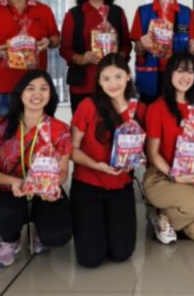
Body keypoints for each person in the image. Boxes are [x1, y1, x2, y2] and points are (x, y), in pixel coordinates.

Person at [0, 70, 72, 267]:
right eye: (30, 88)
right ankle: (10, 240)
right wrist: (14, 181)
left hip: (45, 191)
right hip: (10, 189)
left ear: (51, 94)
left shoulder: (60, 129)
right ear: (20, 93)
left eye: (43, 88)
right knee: (3, 218)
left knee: (58, 236)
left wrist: (54, 185)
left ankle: (40, 228)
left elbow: (63, 171)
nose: (37, 94)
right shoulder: (0, 126)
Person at [70, 53, 147, 267]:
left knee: (122, 253)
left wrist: (137, 157)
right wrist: (97, 165)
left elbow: (145, 150)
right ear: (98, 81)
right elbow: (72, 150)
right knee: (91, 258)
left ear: (128, 77)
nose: (113, 83)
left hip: (120, 187)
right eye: (106, 78)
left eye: (118, 76)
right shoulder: (87, 106)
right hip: (87, 187)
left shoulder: (139, 109)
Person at [143, 52, 194, 244]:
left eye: (191, 71)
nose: (186, 77)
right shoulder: (157, 108)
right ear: (170, 74)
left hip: (191, 179)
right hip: (162, 177)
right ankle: (166, 210)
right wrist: (173, 174)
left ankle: (162, 215)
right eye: (180, 71)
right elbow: (152, 153)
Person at [60, 0, 131, 113]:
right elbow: (65, 49)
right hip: (83, 84)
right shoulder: (74, 14)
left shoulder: (117, 13)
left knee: (114, 128)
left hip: (114, 85)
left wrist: (118, 57)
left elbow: (126, 44)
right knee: (83, 130)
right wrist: (81, 58)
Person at [131, 0, 194, 103]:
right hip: (151, 75)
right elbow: (137, 48)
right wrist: (142, 45)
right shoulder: (143, 12)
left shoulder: (187, 13)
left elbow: (192, 47)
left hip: (179, 76)